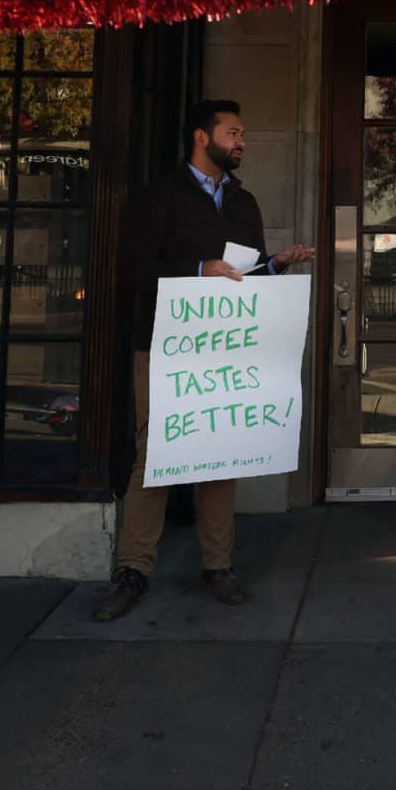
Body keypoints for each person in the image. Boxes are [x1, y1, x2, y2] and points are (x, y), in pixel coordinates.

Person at [94, 99, 314, 622]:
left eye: (243, 134)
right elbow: (131, 272)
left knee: (221, 450)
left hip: (225, 347)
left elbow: (249, 276)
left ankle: (218, 565)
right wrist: (199, 268)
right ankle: (134, 569)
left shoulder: (245, 203)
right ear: (202, 136)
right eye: (233, 132)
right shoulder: (159, 198)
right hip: (166, 347)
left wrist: (275, 266)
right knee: (155, 454)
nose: (241, 142)